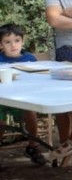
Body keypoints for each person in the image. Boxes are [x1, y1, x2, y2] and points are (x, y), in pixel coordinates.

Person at [0, 23, 48, 166]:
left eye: (17, 41)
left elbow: (37, 79)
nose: (13, 45)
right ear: (1, 44)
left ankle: (33, 146)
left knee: (31, 113)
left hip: (23, 97)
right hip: (2, 100)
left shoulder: (29, 58)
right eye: (7, 42)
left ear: (22, 41)